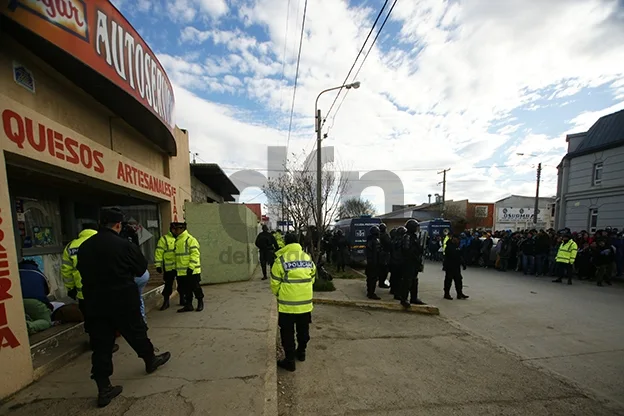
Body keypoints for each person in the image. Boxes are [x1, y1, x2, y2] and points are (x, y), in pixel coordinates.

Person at [77, 207, 170, 408]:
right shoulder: (124, 245)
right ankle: (150, 359)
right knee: (136, 331)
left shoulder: (84, 247)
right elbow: (140, 268)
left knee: (101, 345)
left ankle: (104, 387)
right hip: (123, 299)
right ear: (118, 225)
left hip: (94, 302)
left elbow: (81, 271)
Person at [270, 232, 316, 372]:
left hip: (287, 305)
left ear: (285, 244)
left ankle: (290, 361)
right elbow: (312, 277)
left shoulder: (281, 260)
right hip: (305, 304)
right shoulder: (307, 257)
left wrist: (279, 294)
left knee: (287, 333)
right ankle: (301, 352)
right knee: (303, 330)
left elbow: (274, 284)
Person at [62, 223, 98, 317]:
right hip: (104, 291)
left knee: (89, 320)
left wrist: (70, 288)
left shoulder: (71, 246)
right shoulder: (103, 242)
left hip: (82, 292)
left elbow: (66, 271)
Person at [172, 222, 205, 312]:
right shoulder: (178, 240)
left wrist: (191, 267)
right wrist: (175, 269)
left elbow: (195, 254)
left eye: (177, 229)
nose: (175, 231)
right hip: (181, 271)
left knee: (196, 288)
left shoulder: (190, 240)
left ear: (182, 229)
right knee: (185, 290)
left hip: (192, 270)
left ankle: (200, 302)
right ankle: (188, 305)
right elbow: (177, 257)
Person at [400, 219, 425, 308]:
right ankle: (404, 299)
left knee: (414, 280)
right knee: (407, 281)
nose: (417, 229)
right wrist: (414, 255)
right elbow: (407, 250)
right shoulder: (407, 237)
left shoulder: (414, 237)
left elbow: (417, 248)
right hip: (408, 262)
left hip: (414, 262)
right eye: (415, 227)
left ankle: (414, 298)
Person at [155, 223, 179, 310]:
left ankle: (183, 300)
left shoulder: (182, 238)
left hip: (180, 267)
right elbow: (159, 252)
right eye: (175, 229)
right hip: (169, 268)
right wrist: (158, 265)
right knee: (168, 285)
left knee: (183, 284)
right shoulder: (164, 239)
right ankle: (166, 301)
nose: (176, 231)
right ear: (171, 229)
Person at [443, 235, 469, 300]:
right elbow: (451, 255)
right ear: (453, 239)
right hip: (450, 266)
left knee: (458, 280)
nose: (458, 240)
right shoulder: (449, 246)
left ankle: (459, 293)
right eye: (457, 239)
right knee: (448, 280)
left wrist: (463, 264)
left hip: (456, 266)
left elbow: (459, 256)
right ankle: (446, 294)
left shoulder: (457, 246)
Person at [365, 226, 382, 300]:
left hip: (371, 262)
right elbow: (375, 253)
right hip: (373, 263)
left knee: (370, 278)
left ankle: (370, 292)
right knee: (372, 278)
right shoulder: (374, 241)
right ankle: (371, 293)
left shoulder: (370, 240)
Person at [390, 226, 406, 300]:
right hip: (399, 262)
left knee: (394, 277)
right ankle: (397, 294)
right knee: (399, 279)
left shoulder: (394, 240)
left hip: (393, 261)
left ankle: (393, 290)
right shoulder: (401, 241)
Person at [378, 223, 392, 289]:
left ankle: (381, 282)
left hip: (380, 255)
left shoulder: (378, 235)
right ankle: (382, 283)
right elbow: (389, 244)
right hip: (385, 255)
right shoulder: (385, 236)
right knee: (384, 270)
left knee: (381, 270)